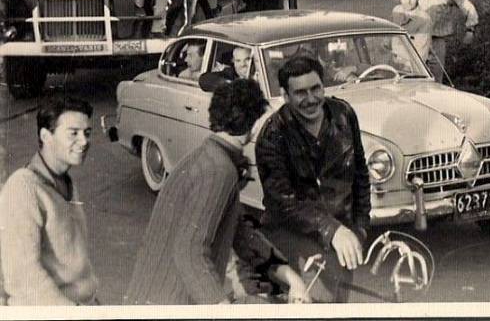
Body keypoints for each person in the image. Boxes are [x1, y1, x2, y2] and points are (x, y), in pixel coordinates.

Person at [124, 79, 310, 305]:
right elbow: (189, 252)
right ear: (251, 125)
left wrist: (292, 279)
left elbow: (241, 234)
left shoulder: (208, 157)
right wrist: (222, 308)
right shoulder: (219, 171)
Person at [254, 54, 370, 303]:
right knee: (318, 302)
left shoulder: (344, 114)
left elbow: (360, 174)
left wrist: (359, 227)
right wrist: (332, 230)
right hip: (293, 237)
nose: (311, 99)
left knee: (339, 300)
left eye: (316, 88)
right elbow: (284, 204)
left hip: (341, 236)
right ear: (285, 96)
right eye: (300, 93)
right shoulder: (272, 135)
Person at [0, 95, 99, 306]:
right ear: (46, 136)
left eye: (87, 133)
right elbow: (24, 277)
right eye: (73, 133)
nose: (84, 141)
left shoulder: (65, 182)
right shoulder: (24, 188)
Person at [366, 0, 437, 76]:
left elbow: (419, 58)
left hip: (411, 73)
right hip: (392, 67)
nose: (408, 1)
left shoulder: (424, 20)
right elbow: (386, 44)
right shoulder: (396, 11)